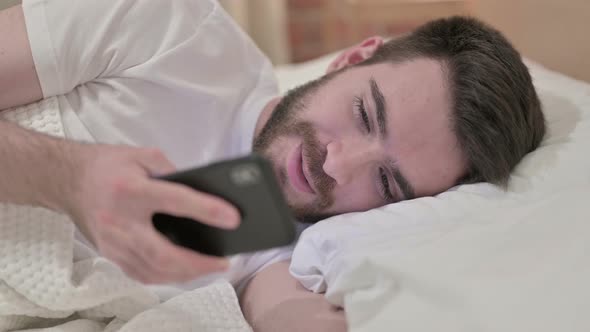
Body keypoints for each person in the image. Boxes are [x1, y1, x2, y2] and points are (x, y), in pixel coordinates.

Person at [0, 0, 544, 290]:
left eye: (386, 182)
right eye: (363, 114)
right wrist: (65, 177)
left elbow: (276, 302)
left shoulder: (302, 247)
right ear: (352, 59)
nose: (337, 165)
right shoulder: (164, 26)